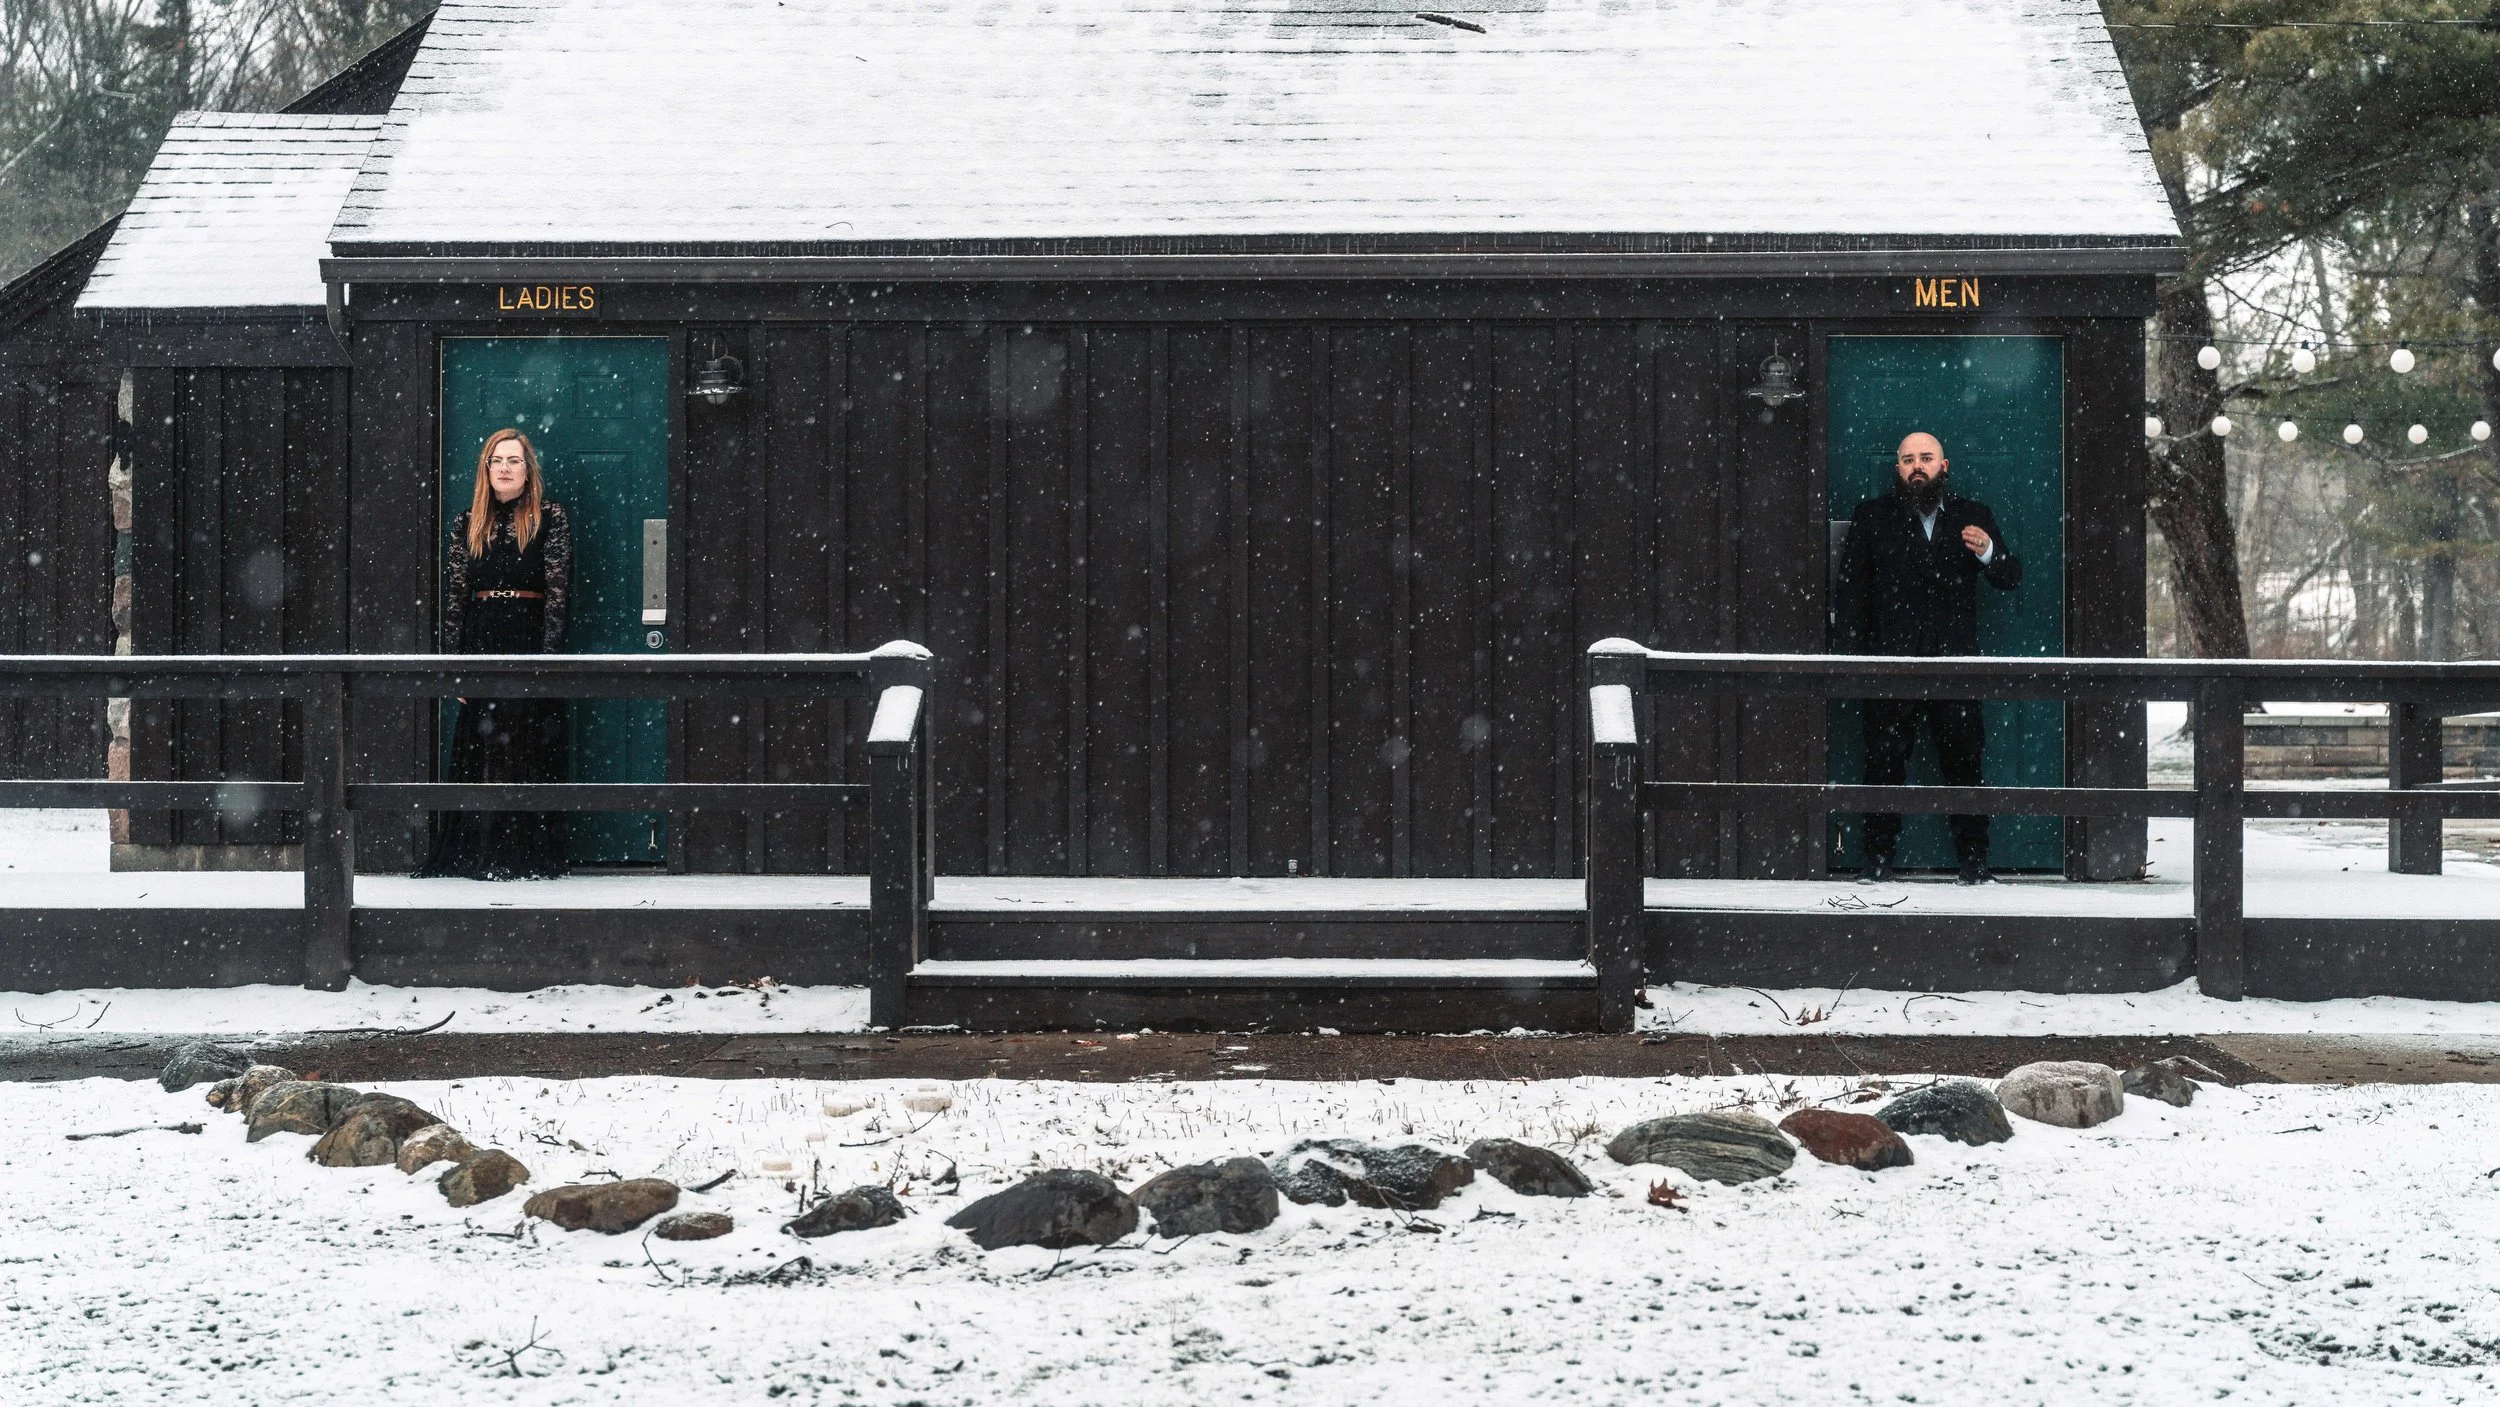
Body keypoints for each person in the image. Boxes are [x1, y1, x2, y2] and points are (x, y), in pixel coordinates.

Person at [1833, 431, 2022, 884]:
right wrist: (1855, 662)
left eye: (1926, 458)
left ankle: (1974, 862)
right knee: (1883, 763)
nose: (1917, 465)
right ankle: (1878, 860)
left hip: (1955, 663)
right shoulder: (1872, 517)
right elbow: (1851, 595)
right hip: (1888, 664)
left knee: (1965, 762)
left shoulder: (1972, 516)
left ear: (1944, 465)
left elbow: (2011, 576)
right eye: (1908, 459)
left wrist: (1989, 552)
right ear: (1898, 469)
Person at [416, 428, 573, 880]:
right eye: (497, 460)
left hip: (528, 634)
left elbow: (559, 594)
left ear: (528, 470)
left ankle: (525, 855)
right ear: (486, 469)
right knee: (483, 747)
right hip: (481, 637)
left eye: (514, 460)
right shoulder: (467, 522)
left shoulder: (550, 518)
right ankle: (479, 852)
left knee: (528, 746)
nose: (505, 468)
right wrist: (455, 667)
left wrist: (548, 662)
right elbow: (456, 597)